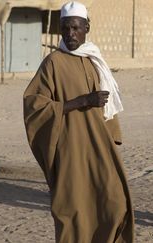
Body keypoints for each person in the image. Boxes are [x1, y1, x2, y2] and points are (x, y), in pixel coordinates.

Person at [23, 2, 133, 242]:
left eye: (75, 28)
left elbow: (108, 103)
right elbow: (34, 105)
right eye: (65, 28)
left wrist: (113, 134)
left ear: (86, 28)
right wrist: (81, 101)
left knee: (115, 203)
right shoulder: (53, 62)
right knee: (72, 209)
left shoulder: (95, 60)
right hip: (69, 146)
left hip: (99, 144)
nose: (70, 34)